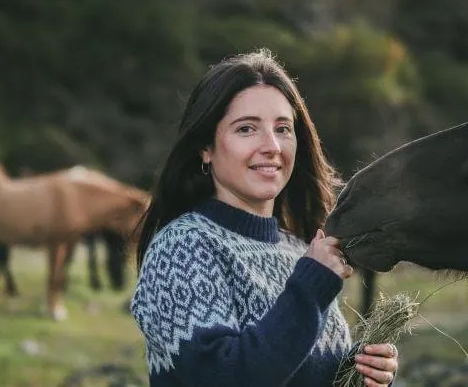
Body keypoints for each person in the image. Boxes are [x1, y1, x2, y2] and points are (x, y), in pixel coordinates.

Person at [131, 49, 399, 387]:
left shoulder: (299, 252)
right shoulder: (182, 248)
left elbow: (292, 366)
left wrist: (360, 373)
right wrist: (310, 288)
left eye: (283, 129)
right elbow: (218, 379)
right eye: (246, 129)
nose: (272, 145)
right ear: (206, 147)